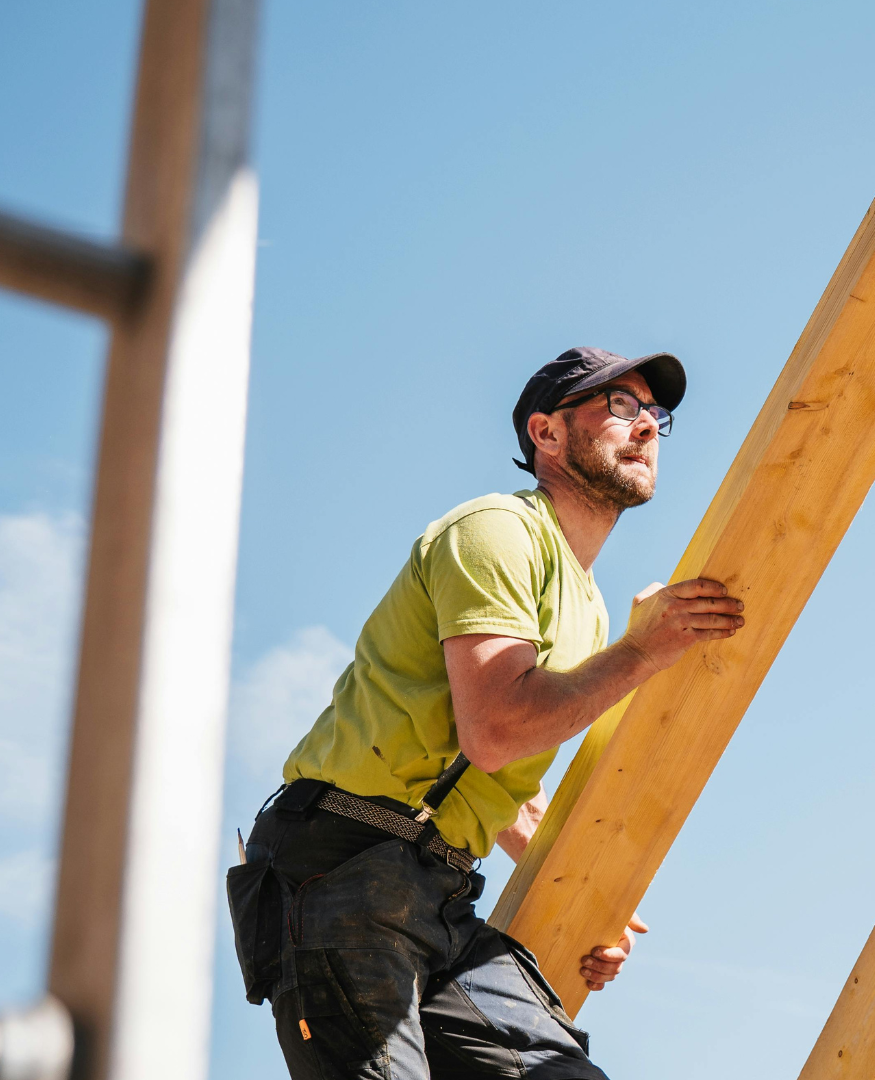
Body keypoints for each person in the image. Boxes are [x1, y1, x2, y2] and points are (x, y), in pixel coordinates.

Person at [226, 347, 747, 1079]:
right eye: (621, 407)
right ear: (547, 433)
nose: (648, 427)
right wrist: (644, 653)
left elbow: (492, 781)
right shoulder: (495, 531)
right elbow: (498, 728)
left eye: (657, 415)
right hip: (337, 865)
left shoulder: (587, 609)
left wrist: (584, 899)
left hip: (436, 894)